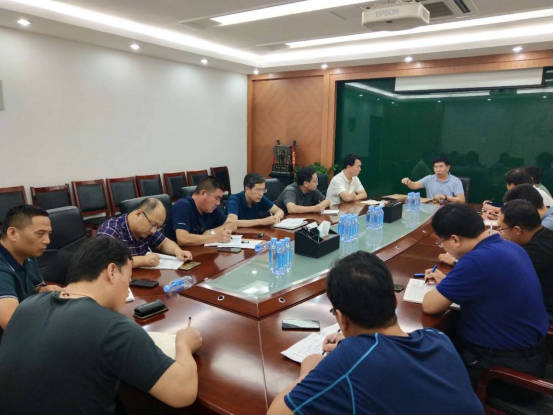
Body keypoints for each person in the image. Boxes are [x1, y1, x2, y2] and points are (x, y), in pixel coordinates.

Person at [0, 237, 202, 413]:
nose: (126, 291)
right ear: (112, 271)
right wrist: (183, 345)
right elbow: (182, 392)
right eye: (128, 281)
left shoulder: (27, 305)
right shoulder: (113, 328)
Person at [268, 251, 484, 415]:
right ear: (395, 301)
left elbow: (276, 412)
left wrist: (309, 371)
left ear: (341, 319)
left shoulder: (349, 359)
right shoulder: (438, 338)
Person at [423, 204, 549, 402]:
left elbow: (430, 305)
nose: (443, 247)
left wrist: (449, 283)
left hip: (504, 372)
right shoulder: (510, 246)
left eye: (441, 242)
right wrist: (451, 282)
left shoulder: (476, 260)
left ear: (455, 239)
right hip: (531, 356)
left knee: (422, 370)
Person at [0, 205, 62, 343]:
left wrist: (44, 290)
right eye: (40, 234)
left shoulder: (27, 254)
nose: (47, 240)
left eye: (48, 234)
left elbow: (35, 287)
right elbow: (10, 321)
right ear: (12, 233)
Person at [96, 198, 192, 268]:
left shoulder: (147, 229)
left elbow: (163, 242)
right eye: (153, 224)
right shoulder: (111, 230)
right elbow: (107, 263)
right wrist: (142, 261)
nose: (153, 230)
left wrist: (177, 251)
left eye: (158, 227)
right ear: (138, 214)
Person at [498, 200, 553, 322]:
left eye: (502, 229)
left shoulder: (533, 253)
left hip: (546, 311)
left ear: (517, 230)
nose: (502, 233)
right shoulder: (546, 234)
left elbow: (501, 276)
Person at [164, 176, 237, 246]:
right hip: (179, 253)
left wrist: (211, 232)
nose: (218, 203)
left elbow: (232, 225)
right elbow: (182, 239)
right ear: (203, 193)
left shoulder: (210, 209)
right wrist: (215, 237)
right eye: (216, 198)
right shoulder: (182, 206)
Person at [483, 169, 553, 219]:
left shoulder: (531, 193)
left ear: (512, 185)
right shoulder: (530, 190)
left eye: (507, 184)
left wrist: (493, 209)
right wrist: (497, 216)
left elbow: (523, 214)